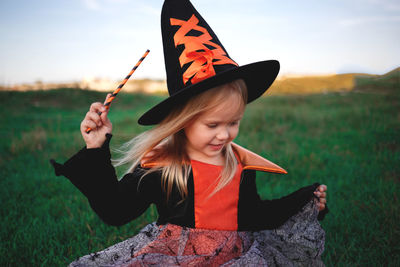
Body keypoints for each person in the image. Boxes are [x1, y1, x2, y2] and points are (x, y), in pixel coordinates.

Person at [51, 0, 328, 265]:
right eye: (212, 125)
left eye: (233, 122)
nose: (224, 135)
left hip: (234, 257)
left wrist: (305, 201)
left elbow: (253, 216)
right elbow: (115, 210)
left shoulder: (240, 165)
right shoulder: (161, 166)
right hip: (173, 257)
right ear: (182, 121)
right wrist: (96, 149)